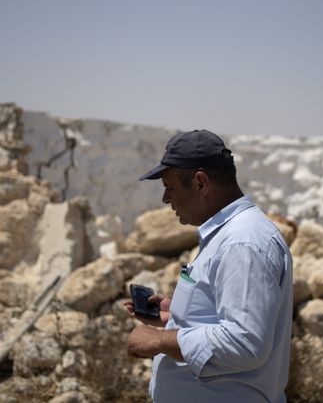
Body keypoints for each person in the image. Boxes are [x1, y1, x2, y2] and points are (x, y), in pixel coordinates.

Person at [125, 129, 293, 402]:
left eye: (170, 188)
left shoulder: (242, 242)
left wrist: (159, 341)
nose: (166, 199)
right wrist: (174, 316)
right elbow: (230, 318)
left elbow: (245, 342)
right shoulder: (230, 235)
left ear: (201, 183)